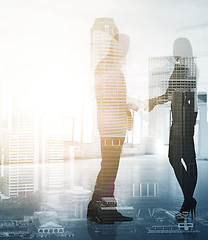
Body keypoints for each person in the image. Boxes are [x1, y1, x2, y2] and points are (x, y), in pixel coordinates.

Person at [87, 33, 136, 224]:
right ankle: (100, 209)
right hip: (110, 126)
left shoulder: (114, 67)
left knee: (110, 169)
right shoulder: (106, 66)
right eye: (123, 46)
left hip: (115, 125)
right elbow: (105, 97)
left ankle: (103, 208)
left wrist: (127, 112)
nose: (125, 51)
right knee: (108, 168)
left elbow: (117, 97)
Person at [148, 38, 198, 220]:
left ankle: (188, 201)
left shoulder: (183, 67)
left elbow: (171, 93)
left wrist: (153, 101)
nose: (173, 52)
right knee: (184, 158)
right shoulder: (190, 66)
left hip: (182, 119)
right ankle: (188, 200)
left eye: (176, 48)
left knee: (180, 158)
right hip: (183, 118)